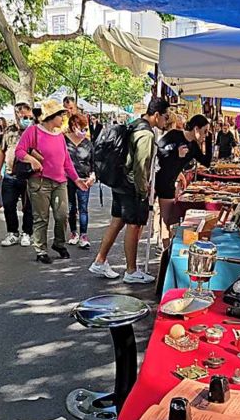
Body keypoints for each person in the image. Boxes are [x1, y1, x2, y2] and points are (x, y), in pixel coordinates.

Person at [89, 98, 170, 283]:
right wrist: (143, 191)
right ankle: (131, 271)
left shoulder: (134, 124)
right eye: (166, 117)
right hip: (130, 186)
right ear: (156, 115)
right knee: (134, 225)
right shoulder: (146, 134)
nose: (167, 121)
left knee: (117, 221)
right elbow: (141, 167)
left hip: (119, 181)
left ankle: (100, 260)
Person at [15, 99, 88, 264]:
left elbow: (66, 161)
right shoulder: (33, 131)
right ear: (52, 116)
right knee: (41, 217)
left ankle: (58, 243)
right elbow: (19, 150)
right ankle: (40, 250)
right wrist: (31, 160)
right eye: (61, 115)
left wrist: (76, 180)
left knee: (62, 215)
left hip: (60, 182)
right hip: (39, 182)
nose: (63, 118)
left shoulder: (60, 136)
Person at [155, 114, 212, 247]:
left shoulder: (193, 146)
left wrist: (208, 140)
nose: (205, 135)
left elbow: (207, 162)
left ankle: (166, 249)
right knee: (159, 220)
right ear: (196, 129)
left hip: (170, 183)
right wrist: (175, 152)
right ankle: (164, 248)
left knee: (167, 219)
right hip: (158, 179)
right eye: (204, 132)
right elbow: (158, 152)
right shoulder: (174, 135)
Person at [0, 103, 34, 247]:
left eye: (29, 116)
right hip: (10, 174)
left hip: (28, 175)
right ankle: (12, 233)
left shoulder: (34, 131)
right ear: (17, 114)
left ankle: (27, 233)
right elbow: (2, 150)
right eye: (24, 116)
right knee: (8, 204)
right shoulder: (9, 131)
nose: (27, 119)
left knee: (28, 207)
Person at [65, 113, 94, 248]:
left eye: (85, 129)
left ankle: (83, 234)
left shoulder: (88, 143)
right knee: (71, 207)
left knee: (83, 208)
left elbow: (93, 163)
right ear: (72, 126)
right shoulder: (64, 140)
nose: (83, 131)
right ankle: (73, 232)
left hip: (83, 179)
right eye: (80, 128)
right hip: (68, 179)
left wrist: (93, 176)